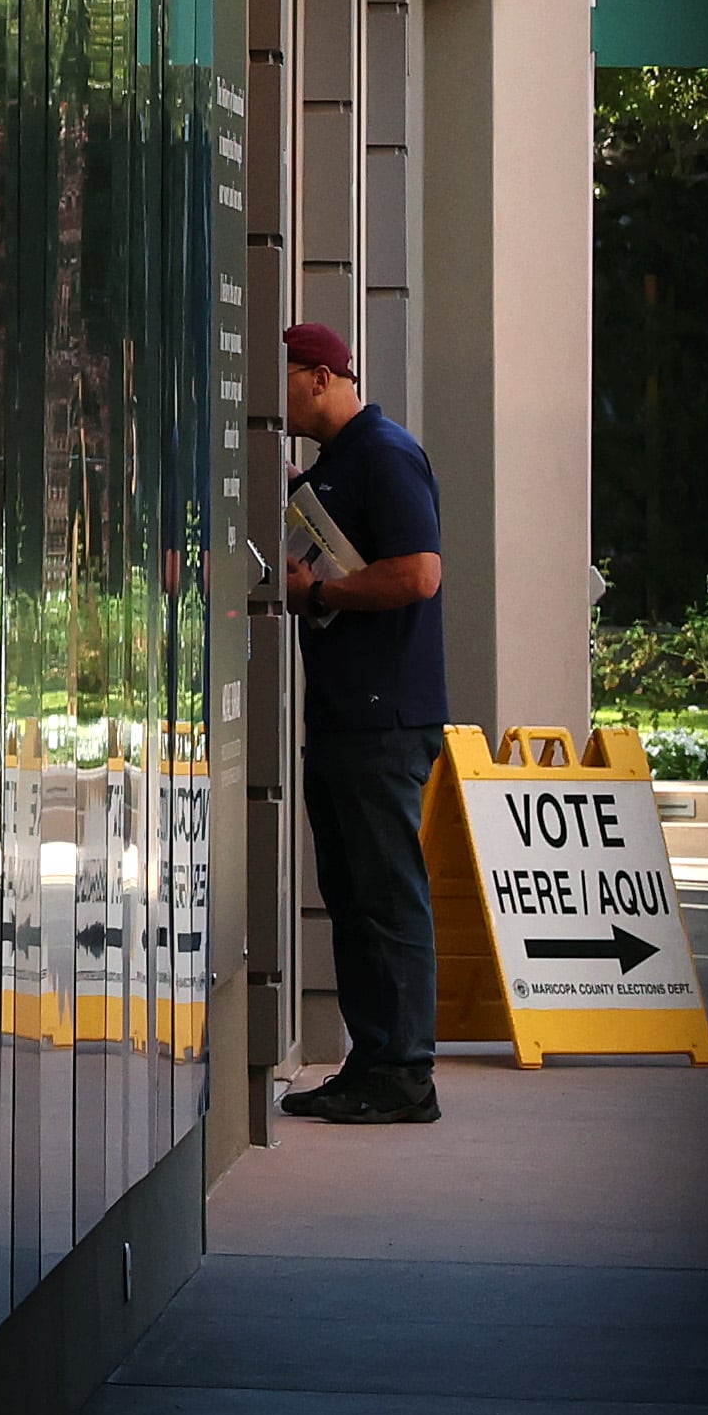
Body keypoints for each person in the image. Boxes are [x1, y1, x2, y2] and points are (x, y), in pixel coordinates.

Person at [272, 321, 451, 1125]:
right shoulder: (329, 469)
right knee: (349, 895)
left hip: (385, 721)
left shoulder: (383, 452)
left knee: (387, 896)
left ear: (318, 376)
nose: (277, 394)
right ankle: (371, 1059)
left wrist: (319, 595)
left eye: (283, 377)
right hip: (345, 719)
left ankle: (407, 1071)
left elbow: (419, 574)